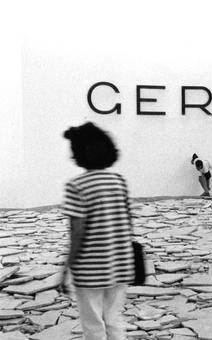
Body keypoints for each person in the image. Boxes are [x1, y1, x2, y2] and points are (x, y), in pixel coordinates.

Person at [60, 122, 135, 340]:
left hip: (90, 269)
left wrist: (66, 268)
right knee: (113, 320)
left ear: (78, 153)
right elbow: (128, 222)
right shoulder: (118, 181)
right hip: (120, 265)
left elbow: (77, 232)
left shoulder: (76, 185)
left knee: (93, 324)